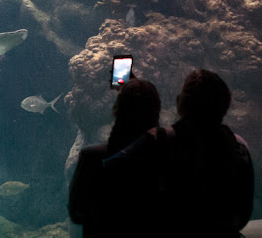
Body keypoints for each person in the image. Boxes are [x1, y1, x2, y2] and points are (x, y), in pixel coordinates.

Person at [104, 69, 254, 238]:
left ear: (179, 102)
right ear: (226, 104)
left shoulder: (158, 141)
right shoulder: (239, 146)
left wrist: (128, 104)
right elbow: (243, 212)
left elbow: (109, 173)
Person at [68, 78, 161, 237]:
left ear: (115, 111)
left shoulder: (92, 158)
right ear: (157, 111)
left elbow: (76, 212)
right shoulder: (169, 157)